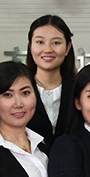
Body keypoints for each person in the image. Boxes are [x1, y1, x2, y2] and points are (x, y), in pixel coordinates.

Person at [26, 14, 77, 142]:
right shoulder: (19, 90)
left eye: (56, 43)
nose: (48, 49)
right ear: (30, 46)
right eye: (40, 42)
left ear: (67, 48)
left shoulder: (78, 90)